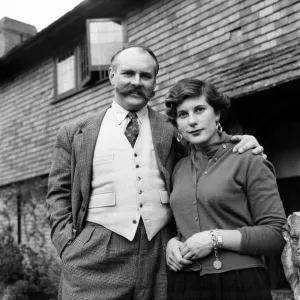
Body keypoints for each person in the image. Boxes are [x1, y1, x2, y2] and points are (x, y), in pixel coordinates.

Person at [46, 45, 264, 300]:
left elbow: (206, 153)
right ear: (112, 76)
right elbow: (57, 195)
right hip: (94, 254)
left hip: (161, 251)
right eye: (128, 73)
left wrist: (241, 142)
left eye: (146, 76)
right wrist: (68, 246)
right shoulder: (75, 132)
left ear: (154, 83)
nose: (137, 82)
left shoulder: (173, 130)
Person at [165, 78, 286, 300]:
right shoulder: (179, 167)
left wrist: (215, 238)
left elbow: (276, 232)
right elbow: (179, 225)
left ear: (218, 114)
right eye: (183, 114)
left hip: (239, 283)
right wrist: (172, 243)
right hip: (183, 284)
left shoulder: (248, 158)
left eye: (200, 110)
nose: (192, 121)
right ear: (177, 124)